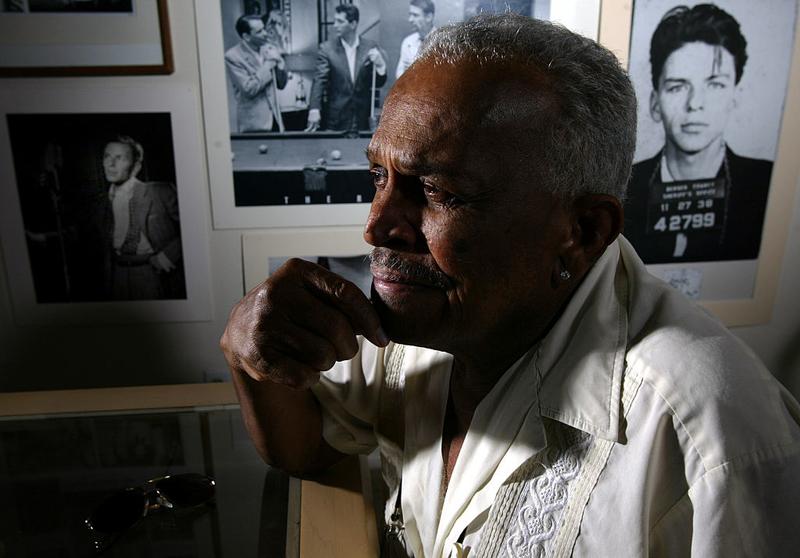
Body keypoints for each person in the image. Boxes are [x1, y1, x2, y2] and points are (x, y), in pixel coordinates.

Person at [221, 13, 800, 558]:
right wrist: (247, 354)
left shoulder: (712, 436)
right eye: (379, 175)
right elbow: (307, 448)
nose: (376, 226)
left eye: (438, 192)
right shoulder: (423, 311)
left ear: (580, 231)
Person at [624, 4, 773, 263]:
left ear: (734, 97)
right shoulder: (624, 189)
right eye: (678, 87)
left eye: (715, 84)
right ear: (654, 103)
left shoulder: (764, 186)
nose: (695, 104)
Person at [101, 136, 185, 301]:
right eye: (107, 157)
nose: (111, 164)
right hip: (118, 273)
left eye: (119, 158)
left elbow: (192, 227)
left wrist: (168, 255)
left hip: (151, 271)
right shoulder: (102, 201)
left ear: (136, 166)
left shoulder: (158, 192)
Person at [305, 4, 387, 133]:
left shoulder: (370, 47)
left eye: (340, 21)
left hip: (362, 121)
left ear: (353, 24)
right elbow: (319, 82)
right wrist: (314, 109)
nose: (335, 25)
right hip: (336, 121)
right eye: (335, 20)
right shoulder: (327, 49)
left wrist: (381, 65)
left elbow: (378, 83)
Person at [225, 14, 287, 133]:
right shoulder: (233, 57)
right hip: (253, 125)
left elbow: (281, 85)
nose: (265, 33)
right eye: (259, 31)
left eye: (263, 28)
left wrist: (280, 63)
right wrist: (267, 66)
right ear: (246, 37)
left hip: (276, 121)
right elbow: (249, 89)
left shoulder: (268, 49)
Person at [396, 0, 436, 79]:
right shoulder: (408, 42)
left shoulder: (445, 42)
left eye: (415, 15)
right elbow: (400, 74)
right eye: (410, 15)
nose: (410, 19)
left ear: (429, 17)